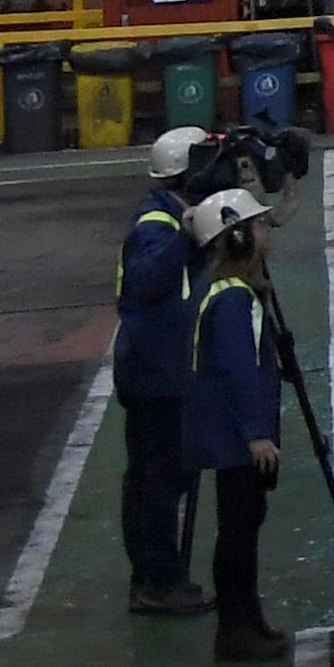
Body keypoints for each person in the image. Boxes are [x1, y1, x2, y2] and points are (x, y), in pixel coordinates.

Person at [181, 190, 295, 663]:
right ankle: (237, 629)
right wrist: (256, 433)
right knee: (239, 531)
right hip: (236, 440)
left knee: (242, 526)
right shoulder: (234, 302)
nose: (267, 234)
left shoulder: (221, 291)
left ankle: (247, 620)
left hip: (227, 434)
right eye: (260, 227)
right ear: (241, 236)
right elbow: (237, 369)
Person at [116, 129, 214, 616]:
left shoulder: (168, 215)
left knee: (155, 479)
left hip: (161, 370)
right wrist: (187, 234)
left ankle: (157, 576)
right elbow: (148, 281)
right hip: (158, 376)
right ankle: (158, 579)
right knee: (158, 482)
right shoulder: (157, 224)